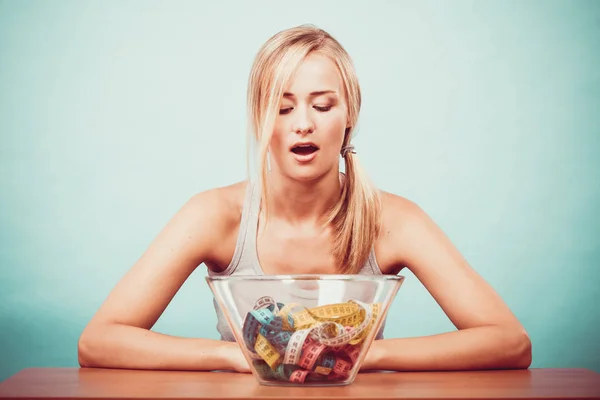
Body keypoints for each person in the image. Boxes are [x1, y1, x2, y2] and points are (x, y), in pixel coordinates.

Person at [77, 24, 532, 373]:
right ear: (261, 119)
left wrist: (364, 356)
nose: (303, 123)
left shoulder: (393, 220)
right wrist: (237, 357)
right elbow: (98, 342)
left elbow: (511, 343)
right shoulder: (215, 214)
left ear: (349, 114)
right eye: (283, 105)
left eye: (322, 104)